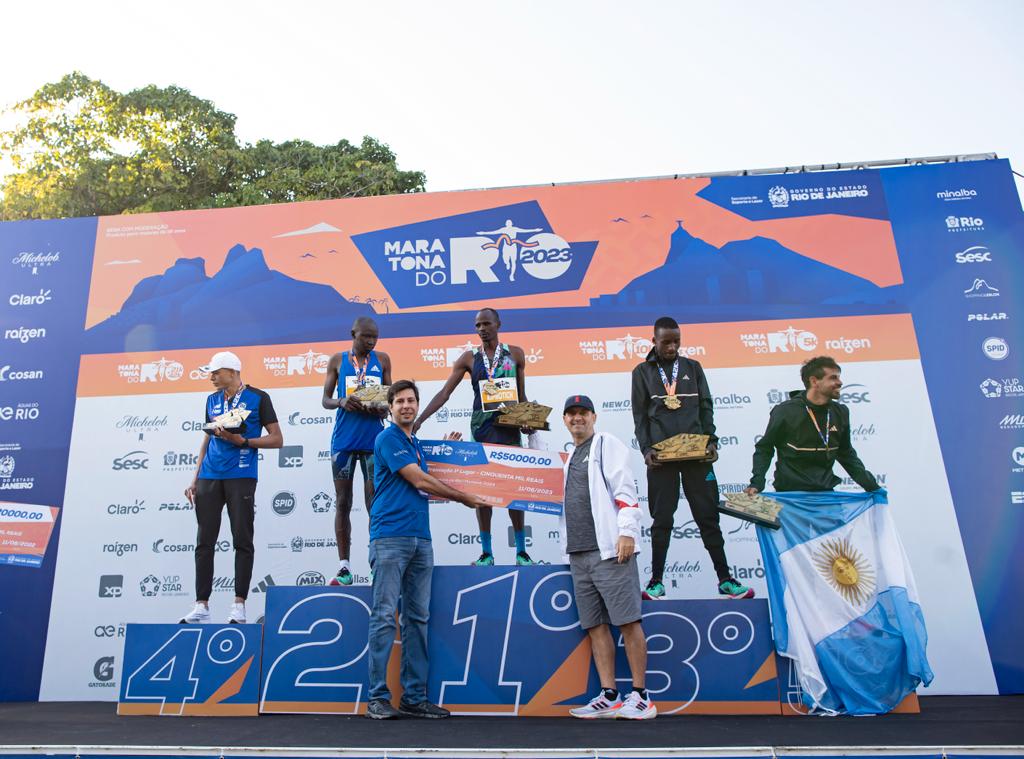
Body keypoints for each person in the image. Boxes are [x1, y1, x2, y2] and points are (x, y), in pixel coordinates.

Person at [365, 380, 489, 719]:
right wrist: (465, 497)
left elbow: (426, 477)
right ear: (390, 407)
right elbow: (419, 480)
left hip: (421, 539)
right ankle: (377, 699)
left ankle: (414, 698)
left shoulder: (414, 443)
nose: (406, 405)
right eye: (400, 401)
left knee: (417, 619)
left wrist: (447, 455)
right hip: (390, 537)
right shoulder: (388, 438)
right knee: (384, 616)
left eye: (411, 400)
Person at [631, 316, 753, 600]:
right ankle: (656, 582)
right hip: (662, 459)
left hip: (697, 456)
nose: (672, 347)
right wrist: (647, 450)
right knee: (661, 520)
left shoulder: (693, 368)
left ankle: (725, 579)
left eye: (676, 342)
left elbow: (706, 407)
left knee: (708, 517)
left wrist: (711, 441)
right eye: (666, 342)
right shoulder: (641, 372)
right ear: (654, 341)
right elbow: (639, 417)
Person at [413, 307, 535, 566]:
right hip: (481, 429)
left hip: (510, 428)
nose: (481, 329)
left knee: (514, 490)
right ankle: (487, 552)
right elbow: (445, 393)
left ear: (498, 324)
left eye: (486, 324)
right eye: (478, 325)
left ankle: (521, 551)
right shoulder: (468, 358)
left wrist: (529, 421)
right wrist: (420, 419)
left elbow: (521, 396)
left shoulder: (516, 354)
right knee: (482, 491)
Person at [560, 395, 656, 720]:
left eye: (583, 413)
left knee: (628, 622)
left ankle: (642, 696)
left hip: (610, 550)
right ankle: (609, 695)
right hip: (579, 553)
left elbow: (625, 489)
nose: (577, 419)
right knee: (595, 626)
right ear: (565, 420)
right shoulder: (569, 454)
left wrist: (627, 531)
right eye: (571, 414)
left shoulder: (606, 444)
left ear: (594, 416)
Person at [182, 351, 283, 624]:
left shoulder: (259, 398)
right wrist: (195, 476)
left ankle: (239, 605)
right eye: (210, 373)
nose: (211, 377)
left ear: (233, 372)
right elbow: (207, 439)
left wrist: (244, 442)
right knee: (204, 541)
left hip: (241, 474)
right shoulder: (211, 399)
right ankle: (201, 605)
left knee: (242, 539)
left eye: (216, 372)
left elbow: (277, 439)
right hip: (209, 475)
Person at [321, 317, 392, 586]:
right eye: (366, 337)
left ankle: (375, 564)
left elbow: (390, 400)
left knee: (375, 503)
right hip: (344, 442)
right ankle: (344, 567)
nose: (371, 341)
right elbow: (325, 400)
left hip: (373, 440)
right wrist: (341, 401)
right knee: (342, 502)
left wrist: (380, 406)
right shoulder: (337, 361)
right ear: (353, 334)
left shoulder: (383, 359)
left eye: (375, 337)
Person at [746, 356, 880, 495]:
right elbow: (765, 448)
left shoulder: (840, 412)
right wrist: (757, 482)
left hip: (826, 494)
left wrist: (873, 487)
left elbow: (846, 454)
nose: (840, 383)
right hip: (790, 496)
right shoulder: (785, 411)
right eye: (833, 378)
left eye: (839, 378)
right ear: (814, 381)